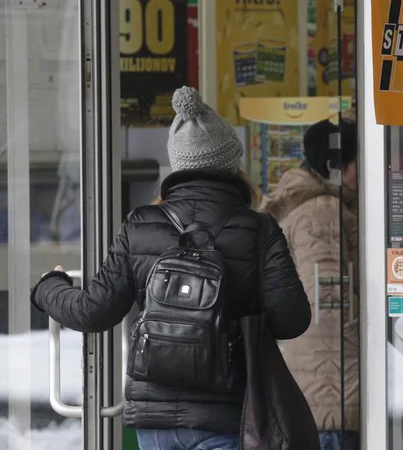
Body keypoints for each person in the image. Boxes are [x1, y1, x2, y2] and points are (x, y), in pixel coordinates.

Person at [30, 86, 314, 450]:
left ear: (178, 164)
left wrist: (48, 287)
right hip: (227, 414)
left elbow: (93, 312)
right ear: (232, 163)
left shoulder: (141, 224)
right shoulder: (259, 230)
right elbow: (292, 319)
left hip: (155, 420)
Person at [259, 118, 360, 450]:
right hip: (333, 390)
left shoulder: (305, 205)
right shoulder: (322, 214)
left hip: (313, 389)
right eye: (359, 161)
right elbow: (330, 306)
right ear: (335, 166)